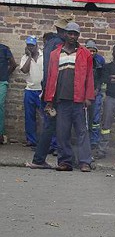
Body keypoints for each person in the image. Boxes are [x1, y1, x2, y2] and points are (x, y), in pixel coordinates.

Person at [42, 22, 94, 172]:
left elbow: (89, 77)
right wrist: (49, 101)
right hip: (61, 100)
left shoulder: (85, 54)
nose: (72, 36)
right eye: (70, 33)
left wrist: (88, 97)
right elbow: (51, 78)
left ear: (78, 36)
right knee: (62, 132)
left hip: (79, 100)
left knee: (82, 132)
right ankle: (65, 162)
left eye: (75, 34)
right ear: (65, 34)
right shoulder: (55, 54)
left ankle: (84, 162)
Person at [28, 18, 70, 169]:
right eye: (68, 32)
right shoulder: (58, 45)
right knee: (53, 125)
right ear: (63, 32)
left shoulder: (49, 44)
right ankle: (40, 160)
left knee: (50, 124)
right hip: (54, 91)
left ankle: (39, 159)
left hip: (47, 89)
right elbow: (54, 70)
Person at [19, 36, 44, 147]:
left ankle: (44, 141)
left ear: (36, 45)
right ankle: (31, 140)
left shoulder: (43, 56)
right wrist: (29, 56)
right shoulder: (25, 57)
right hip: (30, 90)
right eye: (28, 45)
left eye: (32, 45)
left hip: (41, 90)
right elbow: (24, 70)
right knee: (30, 116)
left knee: (44, 116)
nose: (30, 47)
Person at [86, 39, 105, 150]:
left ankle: (94, 141)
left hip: (96, 93)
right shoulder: (82, 59)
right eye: (89, 50)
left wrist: (97, 89)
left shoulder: (100, 60)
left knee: (95, 119)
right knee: (84, 118)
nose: (91, 53)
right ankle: (85, 140)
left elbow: (102, 77)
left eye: (93, 51)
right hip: (84, 94)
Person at [0, 40, 17, 145]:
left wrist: (6, 74)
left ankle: (0, 133)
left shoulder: (4, 49)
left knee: (0, 105)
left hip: (1, 82)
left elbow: (13, 64)